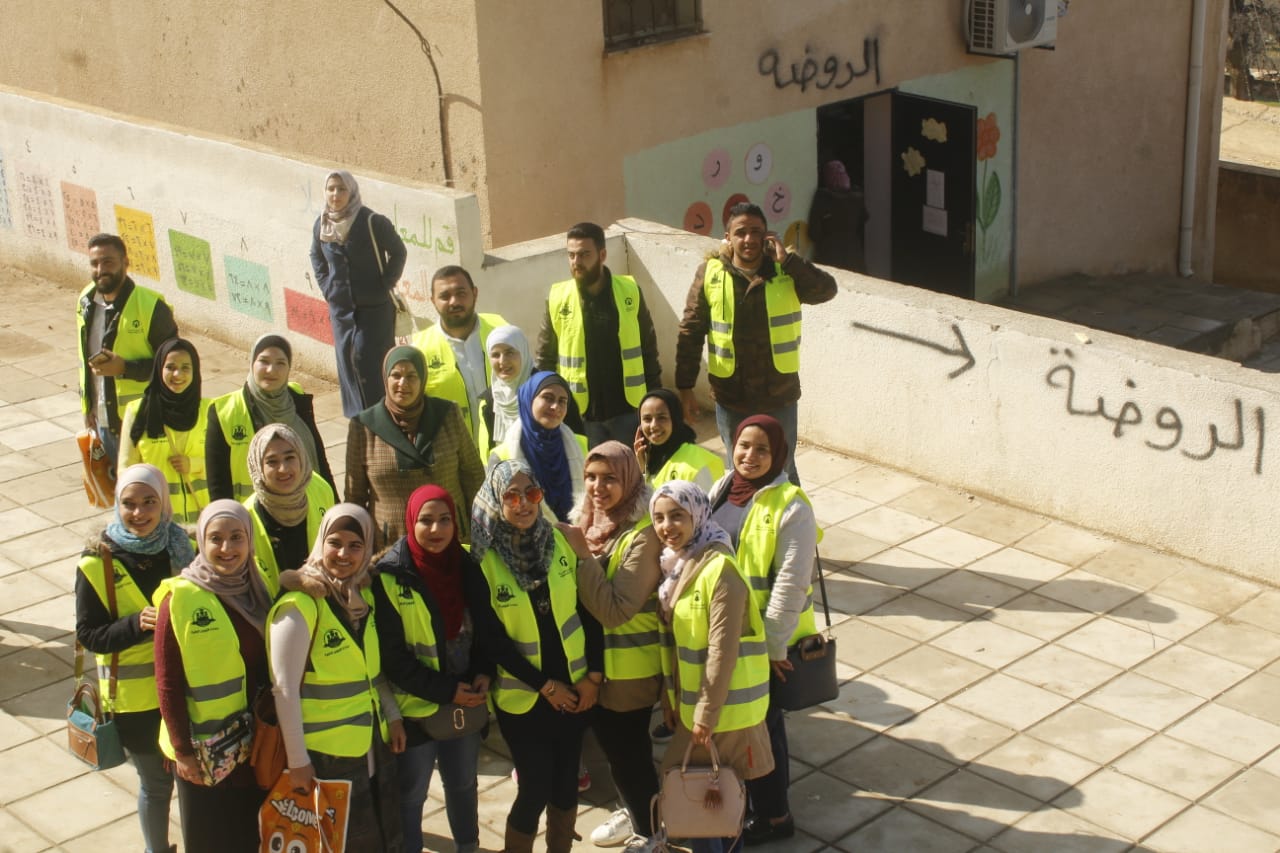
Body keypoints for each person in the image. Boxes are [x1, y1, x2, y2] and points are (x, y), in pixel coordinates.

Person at [467, 461, 604, 853]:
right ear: (496, 500)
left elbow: (589, 612)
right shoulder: (483, 562)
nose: (523, 503)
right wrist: (546, 687)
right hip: (525, 698)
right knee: (535, 787)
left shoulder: (559, 542)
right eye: (511, 495)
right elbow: (492, 641)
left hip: (576, 690)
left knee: (565, 785)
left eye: (532, 493)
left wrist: (593, 676)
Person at [268, 504, 407, 852]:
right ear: (320, 542)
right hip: (326, 756)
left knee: (379, 838)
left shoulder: (361, 598)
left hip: (371, 745)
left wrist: (393, 716)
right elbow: (283, 691)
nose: (344, 554)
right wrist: (298, 761)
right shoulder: (299, 607)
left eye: (355, 545)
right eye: (335, 542)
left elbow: (372, 674)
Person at [707, 416, 819, 845]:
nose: (749, 457)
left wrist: (773, 648)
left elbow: (791, 584)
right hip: (725, 634)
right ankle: (747, 806)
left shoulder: (792, 505)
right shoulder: (723, 488)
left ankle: (774, 817)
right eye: (743, 446)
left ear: (779, 456)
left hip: (762, 643)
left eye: (761, 450)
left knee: (763, 728)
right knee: (743, 727)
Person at [74, 464, 195, 853]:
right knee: (158, 783)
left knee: (192, 781)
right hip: (136, 703)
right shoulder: (96, 564)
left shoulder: (182, 549)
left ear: (164, 504)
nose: (139, 513)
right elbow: (89, 635)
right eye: (128, 504)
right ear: (116, 505)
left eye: (149, 502)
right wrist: (135, 624)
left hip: (185, 692)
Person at [649, 480, 773, 853]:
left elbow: (722, 652)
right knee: (709, 804)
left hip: (722, 713)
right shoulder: (680, 564)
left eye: (677, 516)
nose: (666, 526)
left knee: (704, 802)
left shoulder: (720, 570)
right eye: (658, 518)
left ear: (698, 515)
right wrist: (671, 700)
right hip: (696, 708)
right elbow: (678, 647)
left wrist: (704, 715)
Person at [675, 202, 838, 483]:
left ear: (767, 236)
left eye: (756, 232)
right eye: (741, 232)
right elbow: (691, 330)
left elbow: (826, 290)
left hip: (778, 393)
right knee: (738, 468)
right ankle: (742, 523)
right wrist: (685, 387)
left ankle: (791, 525)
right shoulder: (711, 273)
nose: (748, 239)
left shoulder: (785, 271)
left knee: (782, 469)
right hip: (731, 395)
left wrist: (788, 261)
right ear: (728, 236)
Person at [372, 485, 489, 853]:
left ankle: (467, 845)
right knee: (412, 793)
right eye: (425, 521)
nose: (436, 530)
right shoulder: (389, 575)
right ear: (410, 522)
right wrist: (447, 691)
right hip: (416, 711)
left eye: (444, 520)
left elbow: (486, 627)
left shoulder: (466, 565)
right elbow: (392, 658)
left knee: (462, 784)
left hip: (463, 703)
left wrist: (484, 671)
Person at [154, 500, 272, 852]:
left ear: (250, 541)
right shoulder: (180, 598)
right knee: (208, 842)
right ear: (201, 543)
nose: (227, 548)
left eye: (237, 537)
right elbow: (167, 683)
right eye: (216, 539)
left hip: (255, 748)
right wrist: (182, 751)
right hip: (204, 754)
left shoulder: (259, 588)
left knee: (252, 839)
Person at [562, 443, 663, 853]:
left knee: (630, 753)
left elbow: (615, 610)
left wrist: (582, 556)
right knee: (618, 752)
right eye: (591, 477)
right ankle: (636, 811)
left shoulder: (643, 535)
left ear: (629, 479)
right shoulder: (586, 519)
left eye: (609, 478)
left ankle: (651, 833)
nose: (598, 487)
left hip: (629, 672)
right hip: (595, 667)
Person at [536, 222, 661, 447]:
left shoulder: (629, 292)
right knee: (591, 478)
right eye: (571, 255)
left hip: (628, 411)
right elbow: (545, 359)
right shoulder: (558, 298)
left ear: (602, 254)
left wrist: (657, 399)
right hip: (581, 415)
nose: (576, 262)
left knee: (631, 474)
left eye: (584, 254)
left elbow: (648, 349)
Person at [346, 346, 485, 548]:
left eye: (412, 376)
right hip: (393, 543)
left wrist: (480, 530)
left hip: (451, 537)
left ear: (423, 379)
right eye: (396, 375)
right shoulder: (364, 426)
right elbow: (355, 496)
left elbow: (473, 475)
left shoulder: (447, 414)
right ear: (386, 378)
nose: (403, 383)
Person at [77, 232, 179, 472]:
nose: (101, 269)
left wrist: (124, 368)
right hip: (101, 421)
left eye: (108, 262)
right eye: (94, 263)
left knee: (147, 496)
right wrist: (88, 407)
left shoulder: (151, 307)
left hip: (142, 424)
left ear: (126, 263)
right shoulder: (85, 301)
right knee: (121, 495)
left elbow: (174, 366)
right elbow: (84, 359)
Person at [310, 169, 408, 417]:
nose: (336, 194)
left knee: (370, 363)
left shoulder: (372, 222)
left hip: (374, 310)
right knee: (348, 365)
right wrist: (327, 287)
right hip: (341, 312)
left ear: (351, 192)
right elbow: (316, 256)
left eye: (342, 189)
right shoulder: (322, 225)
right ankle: (359, 420)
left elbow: (398, 252)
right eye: (331, 188)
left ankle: (384, 416)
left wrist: (385, 283)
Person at [206, 334, 333, 502]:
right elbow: (218, 485)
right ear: (252, 363)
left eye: (280, 363)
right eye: (264, 361)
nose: (271, 370)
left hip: (306, 510)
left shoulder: (296, 400)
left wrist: (335, 507)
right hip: (255, 519)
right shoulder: (224, 412)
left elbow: (319, 461)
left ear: (289, 368)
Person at [412, 265, 508, 451]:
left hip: (503, 453)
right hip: (452, 459)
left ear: (475, 293)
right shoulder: (420, 349)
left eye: (461, 293)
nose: (454, 302)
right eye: (445, 296)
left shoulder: (502, 330)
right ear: (433, 301)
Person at [119, 338, 211, 523]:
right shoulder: (138, 412)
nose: (177, 374)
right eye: (170, 367)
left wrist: (193, 464)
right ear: (159, 369)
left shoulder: (210, 411)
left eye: (186, 367)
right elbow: (125, 469)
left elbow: (225, 463)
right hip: (158, 524)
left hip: (203, 524)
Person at [243, 424, 337, 594]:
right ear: (258, 466)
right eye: (272, 462)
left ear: (301, 456)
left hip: (325, 604)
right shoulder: (245, 517)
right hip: (273, 612)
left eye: (290, 457)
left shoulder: (321, 489)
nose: (283, 469)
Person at [487, 371, 586, 523]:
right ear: (529, 399)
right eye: (548, 398)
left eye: (562, 401)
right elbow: (496, 514)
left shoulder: (582, 445)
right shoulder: (502, 456)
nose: (555, 407)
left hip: (579, 539)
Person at [634, 389, 725, 493]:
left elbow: (709, 507)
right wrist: (643, 471)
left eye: (662, 418)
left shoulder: (698, 464)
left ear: (675, 419)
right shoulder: (651, 460)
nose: (654, 425)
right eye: (647, 419)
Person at [478, 324, 533, 458]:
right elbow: (487, 452)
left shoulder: (548, 393)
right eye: (495, 355)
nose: (503, 361)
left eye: (510, 352)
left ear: (523, 352)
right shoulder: (488, 401)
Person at [806, 160, 869, 273]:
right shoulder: (857, 197)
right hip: (854, 257)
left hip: (830, 256)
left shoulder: (823, 197)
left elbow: (814, 233)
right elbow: (864, 218)